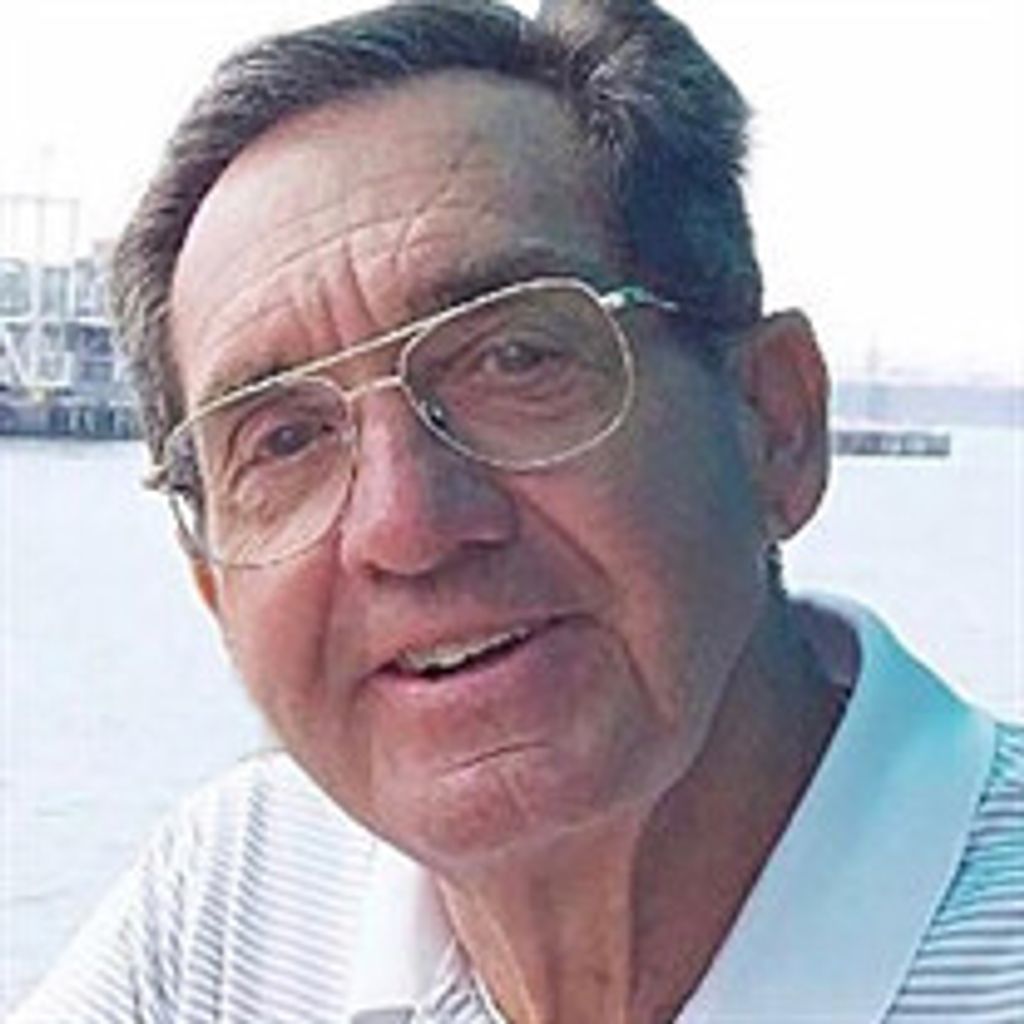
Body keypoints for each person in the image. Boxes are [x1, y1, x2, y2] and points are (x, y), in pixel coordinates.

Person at [11, 1, 1022, 1021]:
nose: (406, 527)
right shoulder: (235, 905)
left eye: (514, 358)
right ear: (211, 587)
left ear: (775, 421)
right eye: (284, 440)